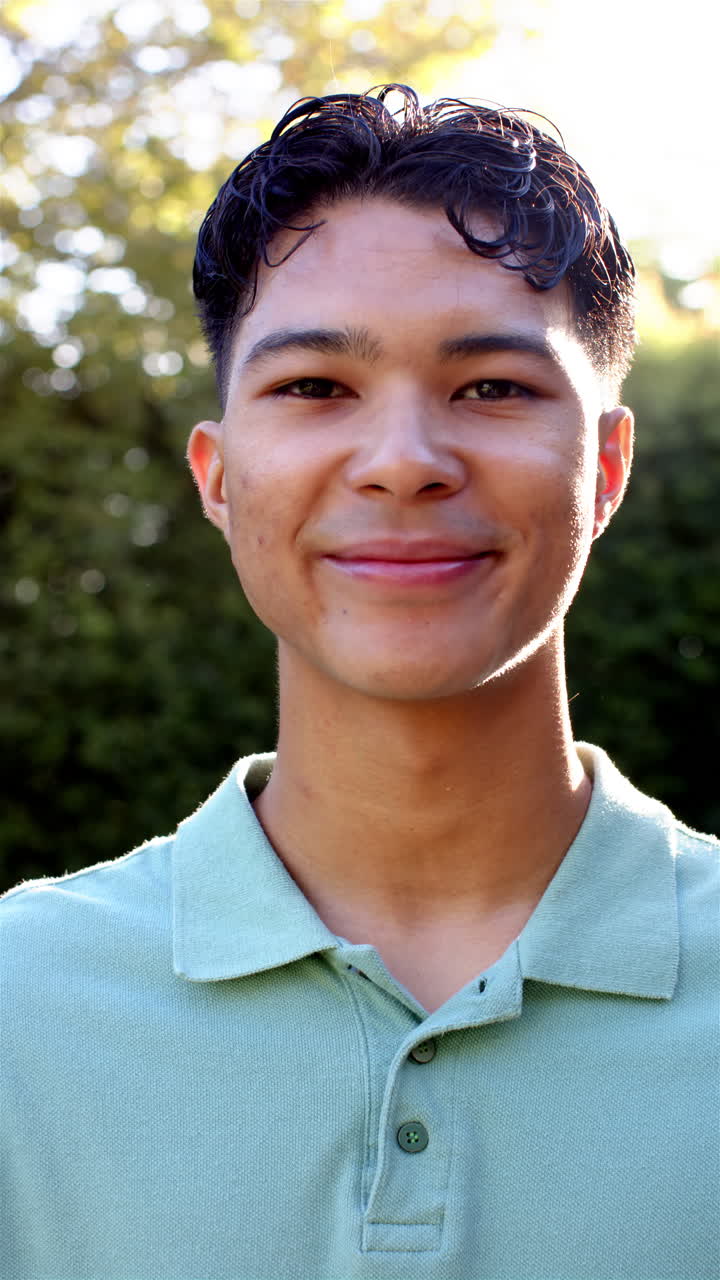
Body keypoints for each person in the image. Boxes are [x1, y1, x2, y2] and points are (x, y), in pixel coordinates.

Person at [2, 85, 717, 1280]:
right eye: (315, 387)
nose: (402, 463)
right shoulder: (19, 1007)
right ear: (218, 475)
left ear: (605, 467)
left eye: (492, 386)